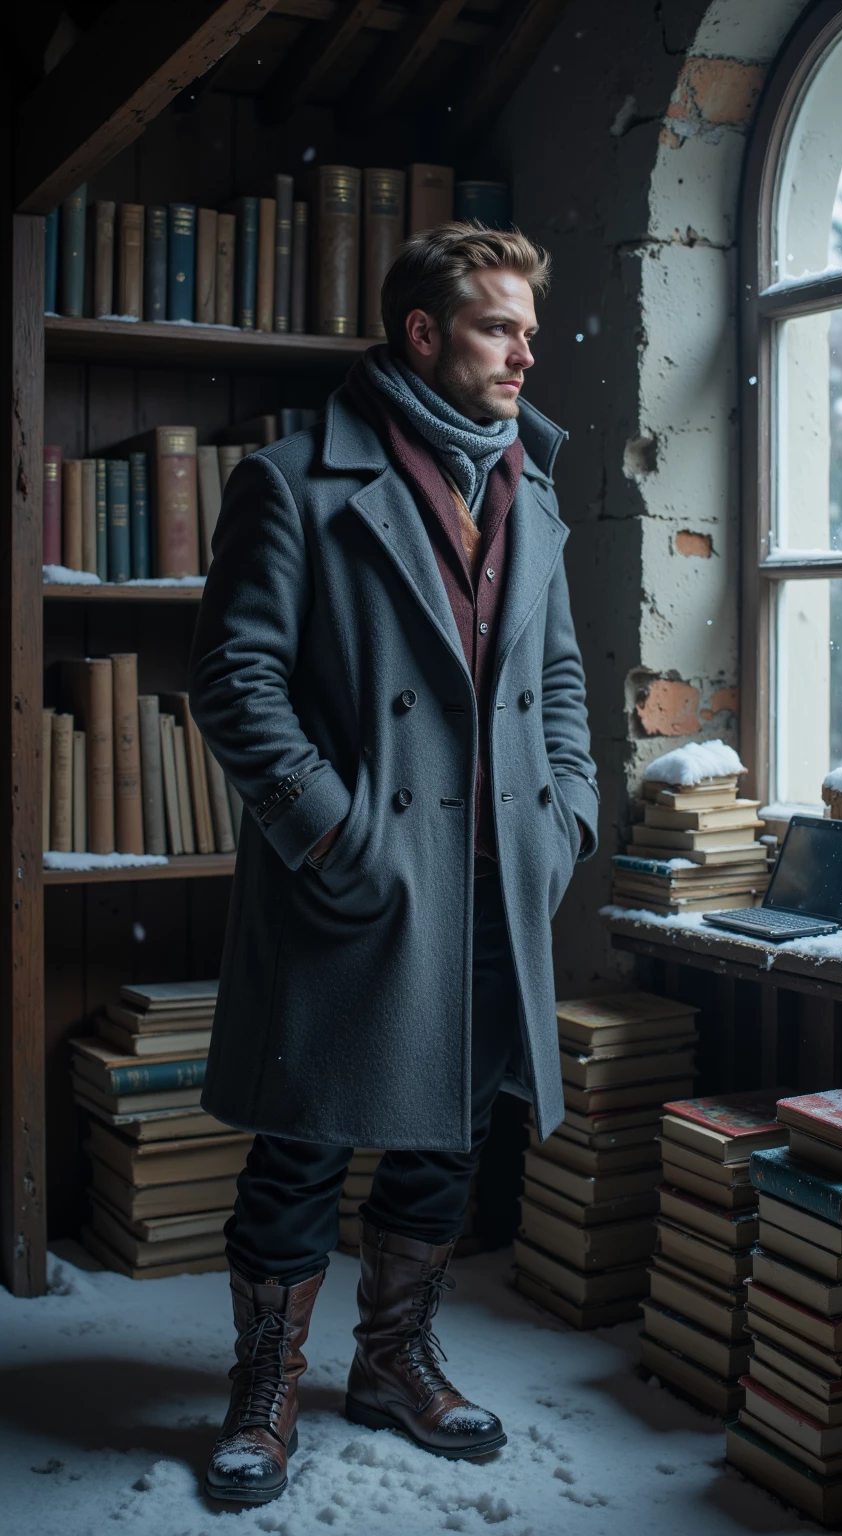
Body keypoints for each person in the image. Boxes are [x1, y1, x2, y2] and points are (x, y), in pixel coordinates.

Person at [188, 223, 599, 1505]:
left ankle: (392, 1360)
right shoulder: (295, 480)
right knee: (304, 1141)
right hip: (358, 875)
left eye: (530, 328)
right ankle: (264, 1388)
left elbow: (563, 681)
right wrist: (332, 834)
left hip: (495, 881)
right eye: (499, 326)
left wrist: (568, 821)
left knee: (447, 1134)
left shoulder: (530, 484)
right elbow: (236, 682)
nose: (527, 350)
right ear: (422, 334)